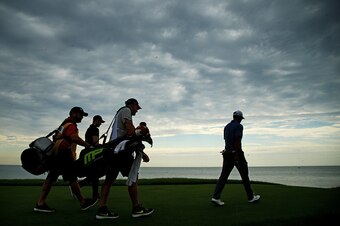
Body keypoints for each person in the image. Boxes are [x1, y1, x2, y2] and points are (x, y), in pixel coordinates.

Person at [96, 98, 154, 219]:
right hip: (121, 153)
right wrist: (140, 133)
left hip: (112, 151)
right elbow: (130, 130)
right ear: (132, 105)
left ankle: (102, 209)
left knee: (109, 180)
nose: (137, 110)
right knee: (133, 177)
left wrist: (141, 153)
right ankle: (136, 208)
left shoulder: (119, 113)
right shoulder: (126, 110)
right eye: (137, 107)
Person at [34, 107, 97, 212]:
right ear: (74, 114)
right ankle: (83, 202)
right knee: (72, 178)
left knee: (51, 178)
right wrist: (88, 146)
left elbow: (56, 137)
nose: (82, 117)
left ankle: (40, 203)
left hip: (56, 154)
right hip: (63, 154)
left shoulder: (63, 124)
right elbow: (74, 138)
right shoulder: (71, 125)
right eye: (81, 115)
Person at [211, 110, 260, 206]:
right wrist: (238, 154)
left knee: (223, 176)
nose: (241, 120)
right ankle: (250, 197)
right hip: (235, 153)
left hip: (227, 153)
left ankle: (215, 197)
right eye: (241, 119)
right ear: (239, 118)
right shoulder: (239, 126)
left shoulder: (226, 127)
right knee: (244, 175)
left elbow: (227, 141)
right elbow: (237, 140)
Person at [78, 115, 106, 200]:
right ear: (96, 120)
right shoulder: (95, 129)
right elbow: (95, 143)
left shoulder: (89, 129)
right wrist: (103, 146)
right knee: (96, 174)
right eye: (100, 122)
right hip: (93, 154)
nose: (101, 124)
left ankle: (94, 193)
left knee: (95, 175)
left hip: (88, 153)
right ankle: (79, 186)